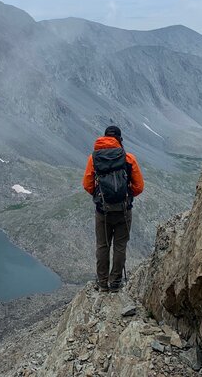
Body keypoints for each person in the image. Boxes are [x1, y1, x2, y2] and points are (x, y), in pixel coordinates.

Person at [82, 125, 144, 292]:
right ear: (119, 140)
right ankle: (115, 282)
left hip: (103, 211)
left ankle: (102, 283)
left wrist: (99, 196)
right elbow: (139, 186)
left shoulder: (93, 158)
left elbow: (87, 184)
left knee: (103, 246)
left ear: (105, 138)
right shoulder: (128, 158)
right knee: (120, 246)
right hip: (124, 210)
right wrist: (127, 195)